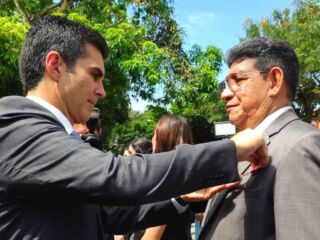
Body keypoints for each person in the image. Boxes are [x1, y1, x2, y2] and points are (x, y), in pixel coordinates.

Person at [0, 15, 268, 240]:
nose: (101, 91)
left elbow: (105, 216)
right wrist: (231, 149)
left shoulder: (46, 135)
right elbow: (117, 175)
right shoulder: (14, 124)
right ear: (55, 66)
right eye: (95, 75)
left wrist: (180, 198)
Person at [199, 37, 320, 240]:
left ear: (274, 81)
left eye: (238, 80)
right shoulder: (241, 148)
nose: (225, 94)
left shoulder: (301, 146)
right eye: (225, 84)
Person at [141, 115, 199, 240]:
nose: (152, 139)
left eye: (155, 134)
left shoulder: (164, 184)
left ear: (163, 140)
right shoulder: (185, 178)